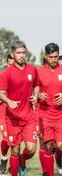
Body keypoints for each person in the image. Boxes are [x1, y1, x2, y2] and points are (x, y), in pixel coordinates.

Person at [0, 40, 39, 176]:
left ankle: (23, 160)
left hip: (29, 117)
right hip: (12, 118)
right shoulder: (6, 73)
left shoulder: (32, 70)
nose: (21, 55)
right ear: (12, 54)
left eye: (23, 52)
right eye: (18, 53)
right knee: (15, 150)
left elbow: (36, 85)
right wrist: (8, 100)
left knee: (31, 149)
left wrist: (36, 95)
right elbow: (1, 92)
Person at [37, 43, 62, 176]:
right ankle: (48, 173)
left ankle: (59, 158)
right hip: (45, 114)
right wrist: (38, 94)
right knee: (47, 146)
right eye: (51, 57)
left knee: (61, 146)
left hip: (61, 115)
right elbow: (32, 89)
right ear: (45, 56)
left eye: (56, 56)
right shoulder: (39, 71)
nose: (54, 60)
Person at [0, 54, 14, 174]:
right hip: (4, 110)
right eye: (9, 64)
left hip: (18, 112)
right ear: (6, 64)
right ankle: (4, 159)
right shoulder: (2, 76)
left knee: (16, 140)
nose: (11, 67)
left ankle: (13, 163)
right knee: (6, 137)